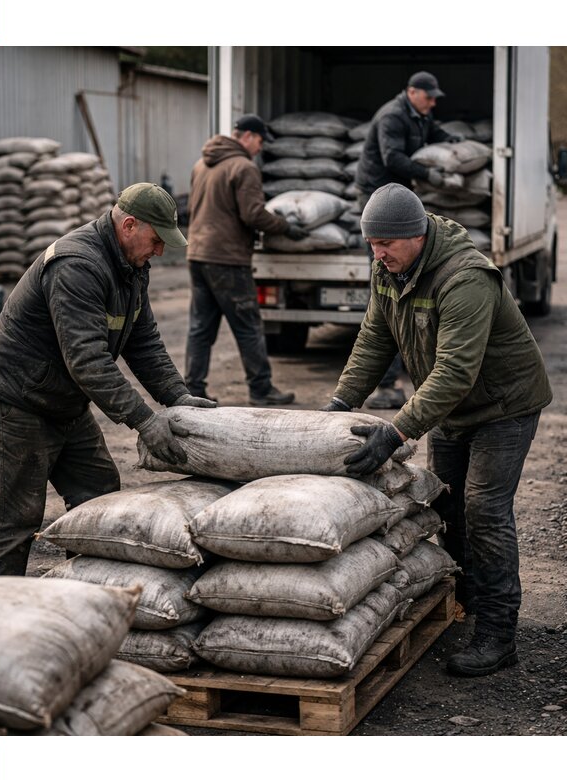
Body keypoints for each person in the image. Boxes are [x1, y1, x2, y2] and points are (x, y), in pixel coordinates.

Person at [320, 183, 552, 677]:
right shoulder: (389, 268)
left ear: (417, 235)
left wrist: (397, 431)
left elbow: (455, 370)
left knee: (485, 510)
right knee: (446, 504)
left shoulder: (465, 277)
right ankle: (463, 600)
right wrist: (340, 404)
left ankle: (497, 632)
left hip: (501, 405)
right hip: (451, 407)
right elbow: (374, 339)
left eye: (386, 244)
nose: (377, 254)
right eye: (372, 244)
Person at [0, 182, 215, 577]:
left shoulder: (131, 266)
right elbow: (87, 360)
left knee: (98, 493)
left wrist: (177, 396)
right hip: (18, 398)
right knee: (15, 519)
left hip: (63, 398)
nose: (160, 251)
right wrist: (144, 419)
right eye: (156, 240)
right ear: (130, 225)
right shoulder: (77, 265)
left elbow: (143, 340)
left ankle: (82, 599)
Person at [355, 71, 463, 409]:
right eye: (429, 96)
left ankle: (410, 373)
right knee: (388, 293)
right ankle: (386, 385)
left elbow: (434, 132)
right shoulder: (392, 116)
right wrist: (431, 174)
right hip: (379, 204)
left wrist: (454, 144)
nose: (433, 103)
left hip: (398, 205)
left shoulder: (420, 116)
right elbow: (393, 158)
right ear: (411, 92)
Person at [185, 113, 308, 406]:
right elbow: (252, 214)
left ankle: (192, 390)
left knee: (200, 328)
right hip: (227, 259)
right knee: (248, 325)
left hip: (198, 254)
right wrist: (286, 227)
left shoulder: (201, 164)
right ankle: (261, 389)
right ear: (249, 136)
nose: (260, 148)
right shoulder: (244, 167)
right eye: (261, 141)